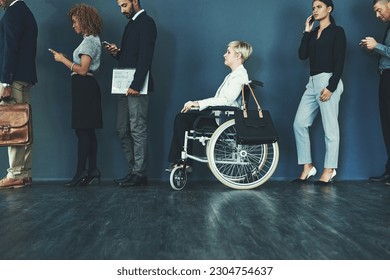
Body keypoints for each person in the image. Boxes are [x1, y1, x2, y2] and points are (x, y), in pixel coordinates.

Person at [166, 41, 253, 172]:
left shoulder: (239, 76)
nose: (224, 55)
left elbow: (225, 100)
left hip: (223, 120)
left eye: (228, 52)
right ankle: (183, 161)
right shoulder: (234, 75)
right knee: (183, 118)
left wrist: (198, 104)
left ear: (238, 56)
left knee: (182, 119)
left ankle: (184, 162)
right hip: (221, 116)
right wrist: (196, 105)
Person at [292, 0, 346, 185]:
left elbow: (340, 61)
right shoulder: (313, 33)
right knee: (299, 123)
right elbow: (302, 55)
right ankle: (308, 167)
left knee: (330, 128)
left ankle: (329, 169)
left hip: (328, 81)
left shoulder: (337, 32)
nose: (315, 10)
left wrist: (331, 87)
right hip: (312, 83)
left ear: (329, 8)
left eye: (319, 7)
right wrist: (306, 32)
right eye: (313, 8)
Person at [49, 4, 103, 187]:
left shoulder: (89, 41)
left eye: (75, 21)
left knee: (83, 131)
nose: (73, 25)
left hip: (84, 88)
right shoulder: (92, 39)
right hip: (86, 88)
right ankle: (93, 170)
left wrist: (63, 59)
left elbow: (83, 70)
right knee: (88, 131)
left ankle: (81, 172)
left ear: (84, 20)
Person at [105, 0, 157, 187]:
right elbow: (131, 56)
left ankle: (139, 174)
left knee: (137, 128)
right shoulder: (131, 24)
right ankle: (134, 171)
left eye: (124, 5)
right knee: (122, 129)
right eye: (120, 6)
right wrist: (117, 53)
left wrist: (136, 84)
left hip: (136, 86)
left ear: (135, 1)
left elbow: (145, 56)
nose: (122, 10)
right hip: (124, 85)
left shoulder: (147, 23)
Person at [0, 0, 37, 189]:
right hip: (25, 77)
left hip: (13, 79)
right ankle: (25, 173)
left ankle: (15, 173)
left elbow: (10, 48)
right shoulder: (26, 11)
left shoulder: (13, 12)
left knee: (14, 127)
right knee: (25, 125)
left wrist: (5, 81)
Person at [361, 0, 390, 185]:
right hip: (385, 77)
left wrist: (377, 46)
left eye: (379, 10)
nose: (377, 15)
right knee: (387, 125)